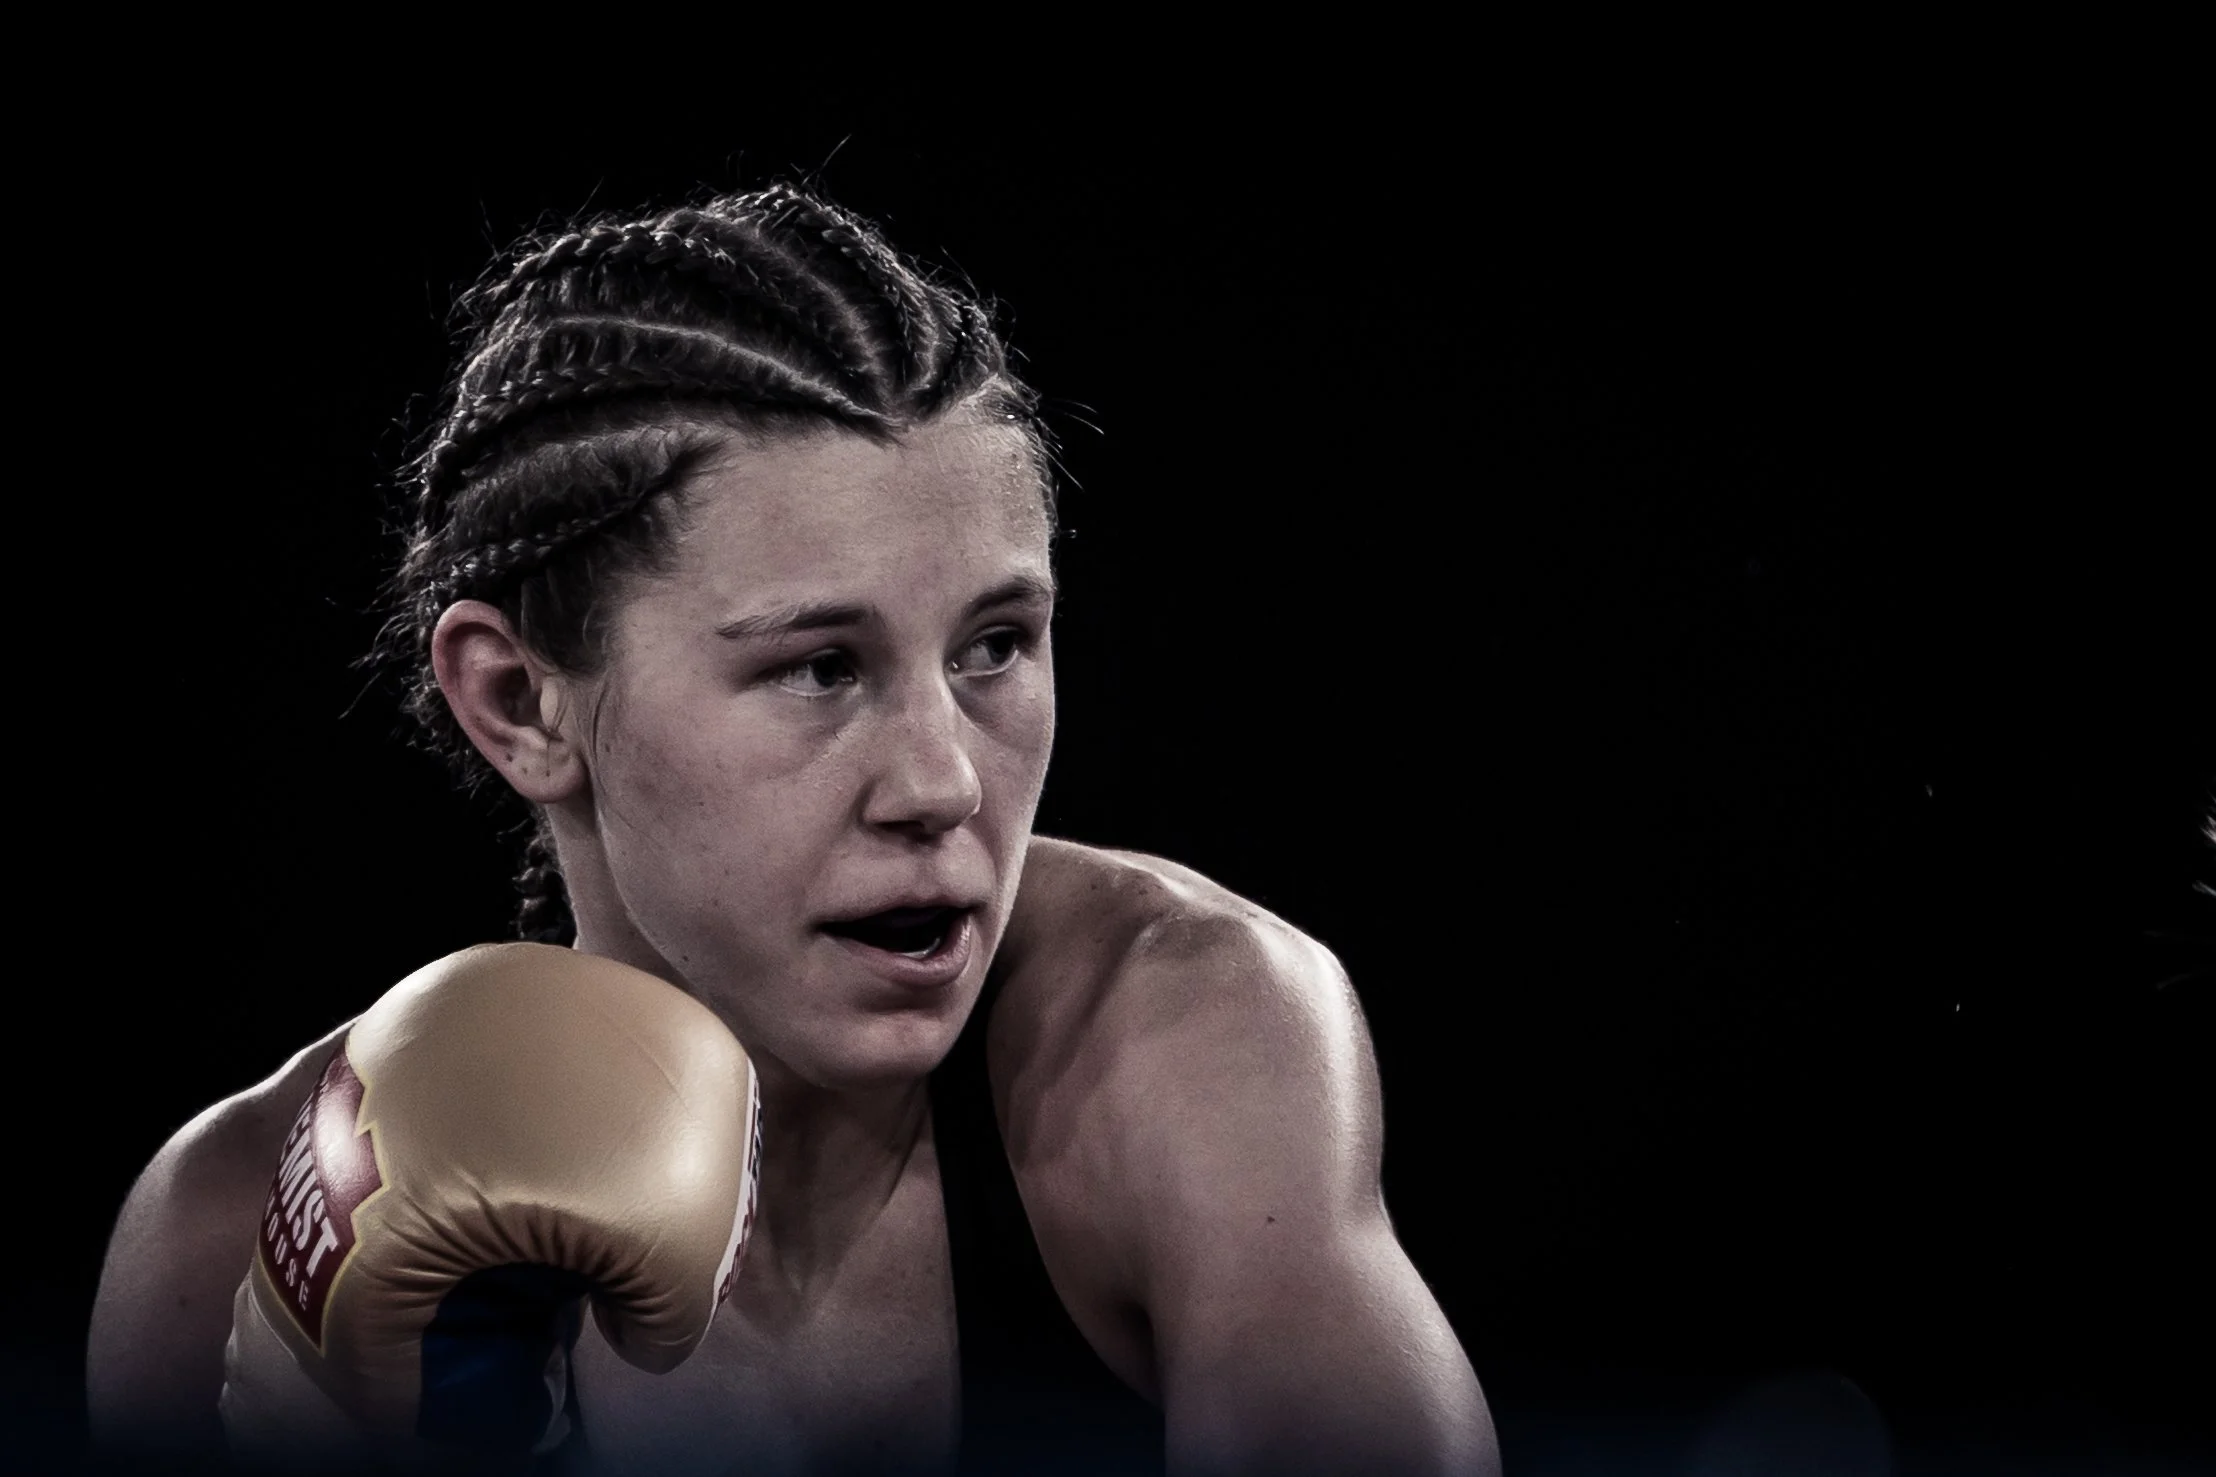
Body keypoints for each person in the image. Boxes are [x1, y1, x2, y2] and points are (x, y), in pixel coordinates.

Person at [87, 182, 1500, 1476]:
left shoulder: (1172, 1039)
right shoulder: (237, 1231)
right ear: (520, 702)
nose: (942, 782)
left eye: (996, 645)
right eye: (821, 669)